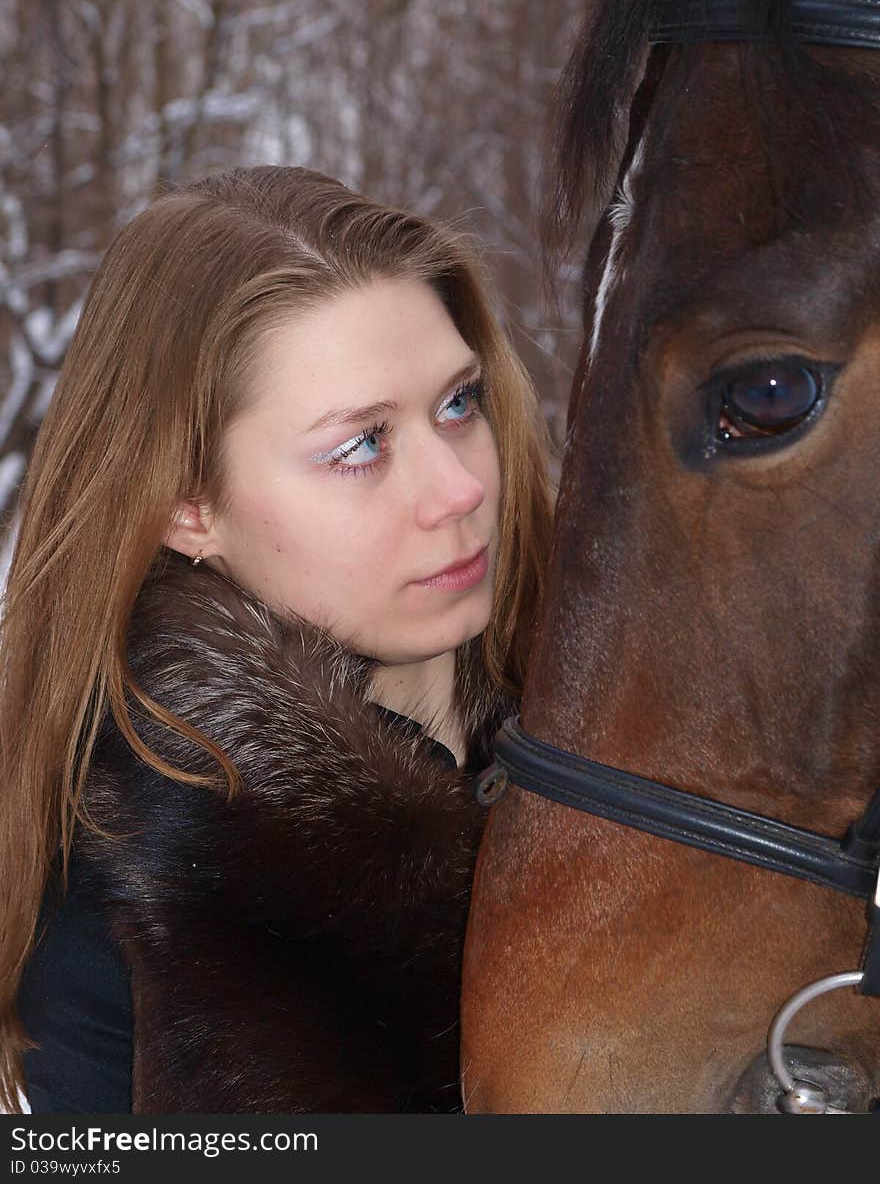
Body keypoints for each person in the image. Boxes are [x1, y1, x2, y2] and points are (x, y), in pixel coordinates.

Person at [0, 165, 556, 1115]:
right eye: (360, 446)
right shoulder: (138, 882)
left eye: (458, 404)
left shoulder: (647, 727)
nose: (461, 490)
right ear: (187, 504)